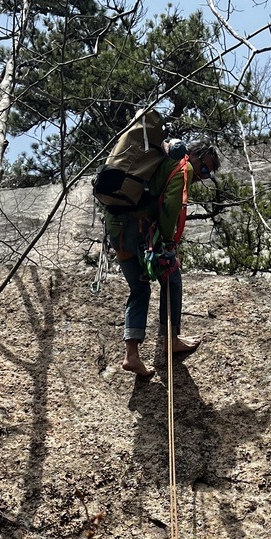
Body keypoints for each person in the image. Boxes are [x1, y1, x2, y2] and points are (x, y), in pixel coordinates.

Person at [106, 139, 221, 379]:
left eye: (207, 173)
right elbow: (171, 206)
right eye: (204, 168)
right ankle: (171, 339)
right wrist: (168, 241)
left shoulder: (160, 158)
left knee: (139, 287)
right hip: (137, 227)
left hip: (116, 229)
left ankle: (132, 355)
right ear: (194, 155)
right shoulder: (183, 166)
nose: (203, 175)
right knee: (172, 278)